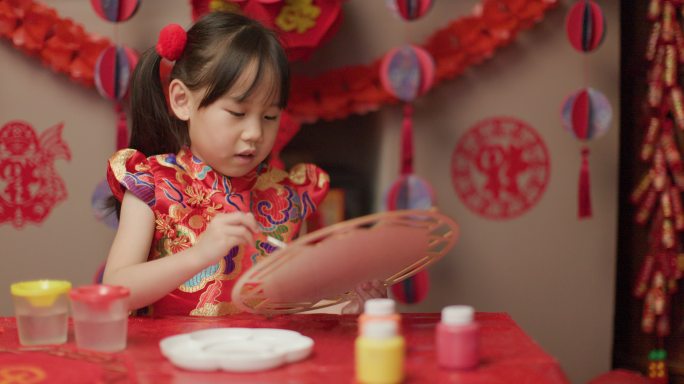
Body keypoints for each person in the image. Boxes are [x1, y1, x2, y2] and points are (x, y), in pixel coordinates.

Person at [103, 11, 385, 316]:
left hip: (264, 359)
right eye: (238, 113)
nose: (254, 134)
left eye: (269, 117)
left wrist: (350, 305)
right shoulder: (152, 185)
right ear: (182, 101)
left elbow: (289, 305)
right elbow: (114, 292)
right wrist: (198, 256)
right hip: (173, 359)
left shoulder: (286, 197)